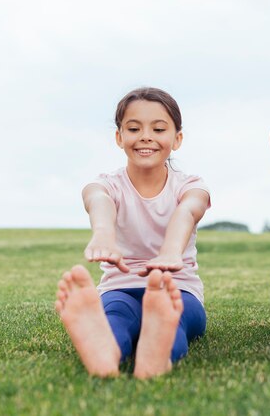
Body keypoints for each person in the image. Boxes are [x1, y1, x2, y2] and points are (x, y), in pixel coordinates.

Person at [54, 87, 210, 379]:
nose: (146, 136)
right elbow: (97, 201)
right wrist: (103, 234)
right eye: (134, 128)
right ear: (119, 137)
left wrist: (171, 251)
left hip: (177, 289)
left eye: (159, 128)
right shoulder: (105, 184)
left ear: (177, 139)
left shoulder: (190, 185)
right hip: (119, 288)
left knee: (173, 322)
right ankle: (106, 352)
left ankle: (156, 350)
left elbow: (187, 211)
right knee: (115, 318)